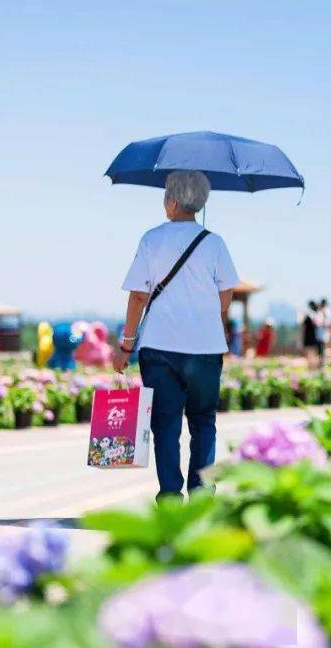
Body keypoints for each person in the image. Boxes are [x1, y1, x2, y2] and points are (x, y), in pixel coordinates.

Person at [113, 171, 239, 500]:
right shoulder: (215, 242)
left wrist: (126, 345)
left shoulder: (151, 239)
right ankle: (201, 494)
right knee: (203, 421)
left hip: (159, 346)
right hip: (205, 347)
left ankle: (169, 495)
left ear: (171, 201)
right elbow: (225, 299)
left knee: (165, 425)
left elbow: (138, 296)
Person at [302, 300, 320, 366]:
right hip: (312, 336)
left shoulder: (310, 314)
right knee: (312, 353)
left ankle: (312, 367)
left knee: (310, 353)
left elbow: (303, 325)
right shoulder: (315, 314)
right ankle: (312, 367)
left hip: (310, 336)